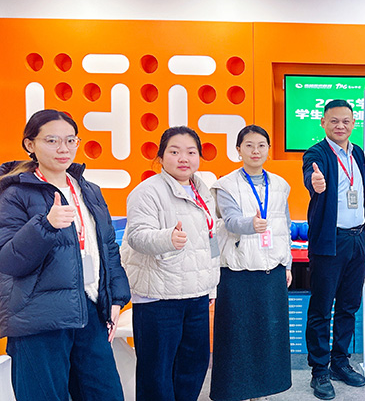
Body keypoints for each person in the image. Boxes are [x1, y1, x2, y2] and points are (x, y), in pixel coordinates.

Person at [0, 109, 131, 401]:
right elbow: (8, 260)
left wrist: (116, 298)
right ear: (30, 144)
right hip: (37, 318)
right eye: (52, 140)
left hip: (89, 311)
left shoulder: (90, 191)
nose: (64, 148)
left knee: (106, 393)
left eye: (71, 140)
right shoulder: (14, 193)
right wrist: (45, 225)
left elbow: (108, 248)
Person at [120, 126, 220, 401]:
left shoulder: (202, 190)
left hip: (196, 294)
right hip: (158, 297)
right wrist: (167, 238)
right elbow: (137, 236)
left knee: (194, 364)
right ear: (161, 156)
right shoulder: (147, 192)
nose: (183, 158)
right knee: (157, 372)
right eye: (174, 152)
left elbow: (209, 240)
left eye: (191, 152)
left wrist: (211, 286)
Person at [210, 125, 293, 400]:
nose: (255, 151)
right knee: (237, 337)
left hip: (272, 271)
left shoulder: (280, 184)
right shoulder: (225, 185)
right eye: (248, 145)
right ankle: (235, 391)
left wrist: (287, 264)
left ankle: (264, 390)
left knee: (269, 336)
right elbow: (230, 221)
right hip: (238, 271)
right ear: (238, 150)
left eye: (261, 145)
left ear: (268, 149)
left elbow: (284, 227)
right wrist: (251, 224)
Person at [302, 99, 365, 400]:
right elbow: (311, 176)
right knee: (321, 308)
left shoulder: (358, 153)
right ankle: (319, 369)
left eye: (346, 121)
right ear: (323, 123)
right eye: (334, 121)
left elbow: (360, 193)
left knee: (348, 306)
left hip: (357, 240)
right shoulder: (316, 153)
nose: (340, 126)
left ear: (353, 123)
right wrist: (315, 182)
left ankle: (340, 362)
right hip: (330, 241)